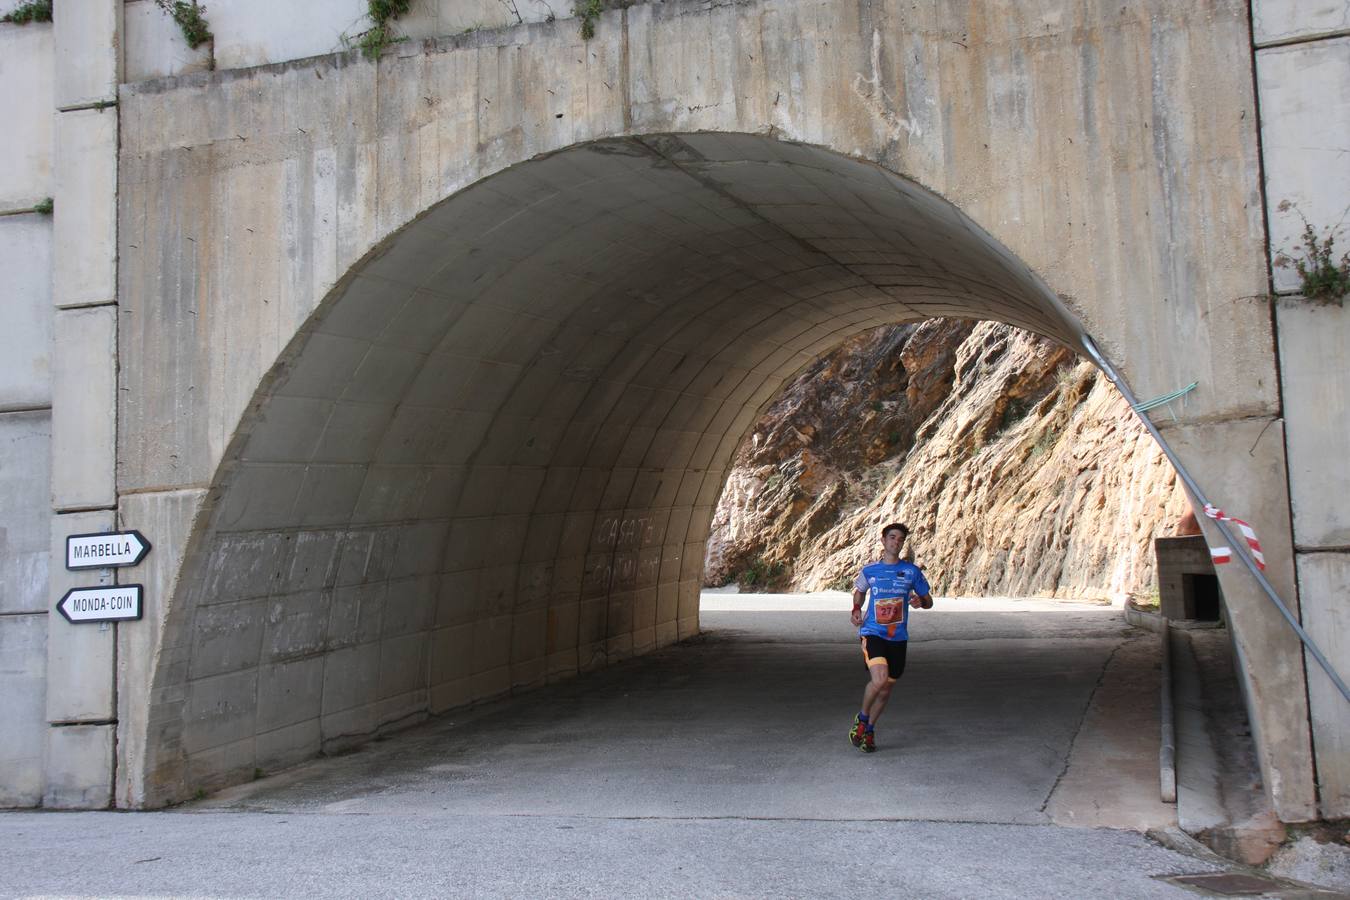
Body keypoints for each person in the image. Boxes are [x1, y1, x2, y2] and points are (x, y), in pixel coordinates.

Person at [847, 522, 933, 753]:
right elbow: (860, 591)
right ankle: (862, 719)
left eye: (900, 539)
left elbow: (928, 601)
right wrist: (856, 609)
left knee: (885, 689)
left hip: (898, 637)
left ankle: (870, 730)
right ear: (883, 540)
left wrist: (920, 601)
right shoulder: (870, 571)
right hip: (873, 632)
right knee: (879, 679)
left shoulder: (912, 572)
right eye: (892, 537)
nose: (896, 542)